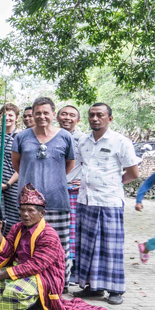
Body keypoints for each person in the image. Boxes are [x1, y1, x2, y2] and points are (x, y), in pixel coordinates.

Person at [0, 184, 113, 310]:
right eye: (22, 210)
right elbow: (7, 252)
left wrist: (4, 274)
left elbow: (35, 266)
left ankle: (35, 300)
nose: (25, 214)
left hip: (43, 276)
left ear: (42, 213)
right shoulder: (16, 228)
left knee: (13, 292)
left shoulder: (48, 235)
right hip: (20, 271)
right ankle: (21, 300)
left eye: (31, 210)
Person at [72, 103, 141, 305]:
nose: (95, 118)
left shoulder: (121, 141)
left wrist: (112, 183)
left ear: (109, 119)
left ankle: (115, 290)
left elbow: (133, 173)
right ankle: (93, 288)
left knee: (110, 247)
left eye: (100, 115)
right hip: (85, 200)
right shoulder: (83, 141)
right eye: (91, 115)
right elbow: (78, 167)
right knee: (87, 246)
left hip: (109, 201)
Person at [12, 97, 76, 286]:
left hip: (57, 201)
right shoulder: (21, 137)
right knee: (27, 244)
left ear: (53, 114)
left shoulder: (65, 136)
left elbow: (69, 164)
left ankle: (59, 283)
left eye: (45, 112)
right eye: (37, 112)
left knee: (59, 245)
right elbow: (17, 165)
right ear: (32, 114)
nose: (41, 116)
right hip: (28, 204)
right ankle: (30, 283)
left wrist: (52, 178)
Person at [59, 105, 86, 270]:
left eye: (71, 115)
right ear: (57, 117)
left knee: (73, 232)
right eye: (64, 114)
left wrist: (84, 180)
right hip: (52, 190)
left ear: (78, 120)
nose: (67, 118)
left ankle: (73, 269)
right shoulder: (50, 136)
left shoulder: (84, 139)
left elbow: (91, 163)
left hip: (73, 191)